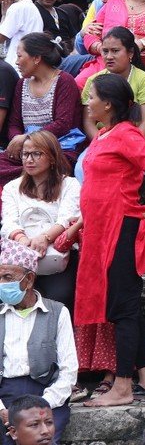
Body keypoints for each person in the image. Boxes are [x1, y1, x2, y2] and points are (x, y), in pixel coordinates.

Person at [75, 74, 145, 408]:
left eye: (92, 97)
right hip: (101, 230)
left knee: (123, 308)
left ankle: (123, 387)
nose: (87, 102)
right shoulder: (105, 134)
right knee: (123, 305)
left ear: (109, 104)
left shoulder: (127, 135)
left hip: (122, 228)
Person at [0, 239, 76, 443]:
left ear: (29, 279)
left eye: (8, 277)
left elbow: (68, 371)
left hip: (45, 396)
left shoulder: (57, 312)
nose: (2, 285)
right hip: (4, 397)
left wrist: (43, 403)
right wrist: (3, 410)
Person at [0, 131, 80, 311]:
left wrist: (45, 238)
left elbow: (67, 218)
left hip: (58, 257)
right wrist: (23, 240)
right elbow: (9, 222)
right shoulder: (12, 188)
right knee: (10, 298)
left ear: (52, 157)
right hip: (20, 257)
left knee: (60, 297)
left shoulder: (70, 185)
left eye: (36, 154)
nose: (29, 159)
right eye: (25, 154)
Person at [0, 34, 82, 195]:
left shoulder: (64, 82)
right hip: (27, 148)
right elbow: (14, 124)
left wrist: (27, 139)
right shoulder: (22, 84)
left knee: (41, 169)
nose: (16, 62)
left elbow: (62, 123)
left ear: (36, 58)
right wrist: (20, 141)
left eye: (19, 56)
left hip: (58, 149)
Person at [79, 27, 145, 145]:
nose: (109, 56)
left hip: (139, 143)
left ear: (130, 53)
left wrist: (123, 147)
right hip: (102, 143)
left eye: (115, 51)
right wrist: (102, 145)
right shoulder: (93, 80)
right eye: (105, 51)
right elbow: (88, 122)